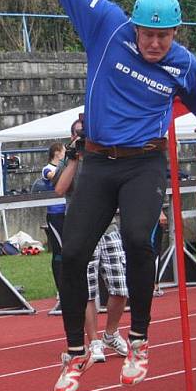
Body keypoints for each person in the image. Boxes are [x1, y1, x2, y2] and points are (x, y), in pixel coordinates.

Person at [8, 0, 196, 391]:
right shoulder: (106, 26)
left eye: (164, 37)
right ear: (136, 26)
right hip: (99, 162)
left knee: (139, 244)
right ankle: (75, 353)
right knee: (73, 253)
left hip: (144, 163)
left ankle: (139, 341)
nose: (155, 44)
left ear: (177, 33)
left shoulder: (187, 66)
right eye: (148, 34)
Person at [53, 125, 128, 365]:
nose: (82, 137)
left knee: (120, 287)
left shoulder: (105, 155)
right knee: (87, 290)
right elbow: (59, 189)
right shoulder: (69, 160)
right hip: (82, 231)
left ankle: (111, 332)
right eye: (77, 133)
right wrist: (74, 159)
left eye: (85, 133)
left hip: (109, 229)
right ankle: (94, 340)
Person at [42, 142, 66, 294]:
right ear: (57, 153)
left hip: (66, 212)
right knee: (59, 250)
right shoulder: (47, 169)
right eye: (64, 151)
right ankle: (60, 288)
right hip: (55, 214)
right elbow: (56, 178)